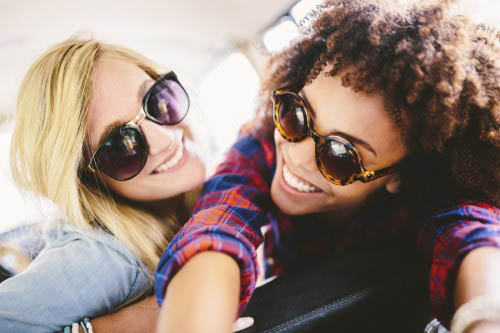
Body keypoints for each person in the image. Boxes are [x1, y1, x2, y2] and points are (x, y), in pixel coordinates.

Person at [154, 0, 500, 332]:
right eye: (297, 115)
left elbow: (474, 236)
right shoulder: (259, 147)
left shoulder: (428, 190)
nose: (298, 156)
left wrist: (485, 319)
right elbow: (219, 223)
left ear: (398, 175)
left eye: (341, 155)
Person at [1, 38, 253, 333]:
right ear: (88, 180)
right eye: (122, 144)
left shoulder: (198, 195)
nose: (165, 139)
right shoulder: (103, 257)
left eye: (157, 100)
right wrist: (113, 328)